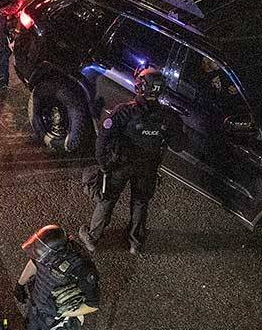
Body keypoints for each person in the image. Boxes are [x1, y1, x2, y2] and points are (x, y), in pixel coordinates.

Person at [78, 68, 185, 256]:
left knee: (107, 199)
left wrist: (103, 164)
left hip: (121, 165)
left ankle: (93, 238)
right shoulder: (169, 117)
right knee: (140, 202)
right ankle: (135, 242)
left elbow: (103, 138)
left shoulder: (125, 112)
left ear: (141, 87)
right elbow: (178, 145)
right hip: (148, 167)